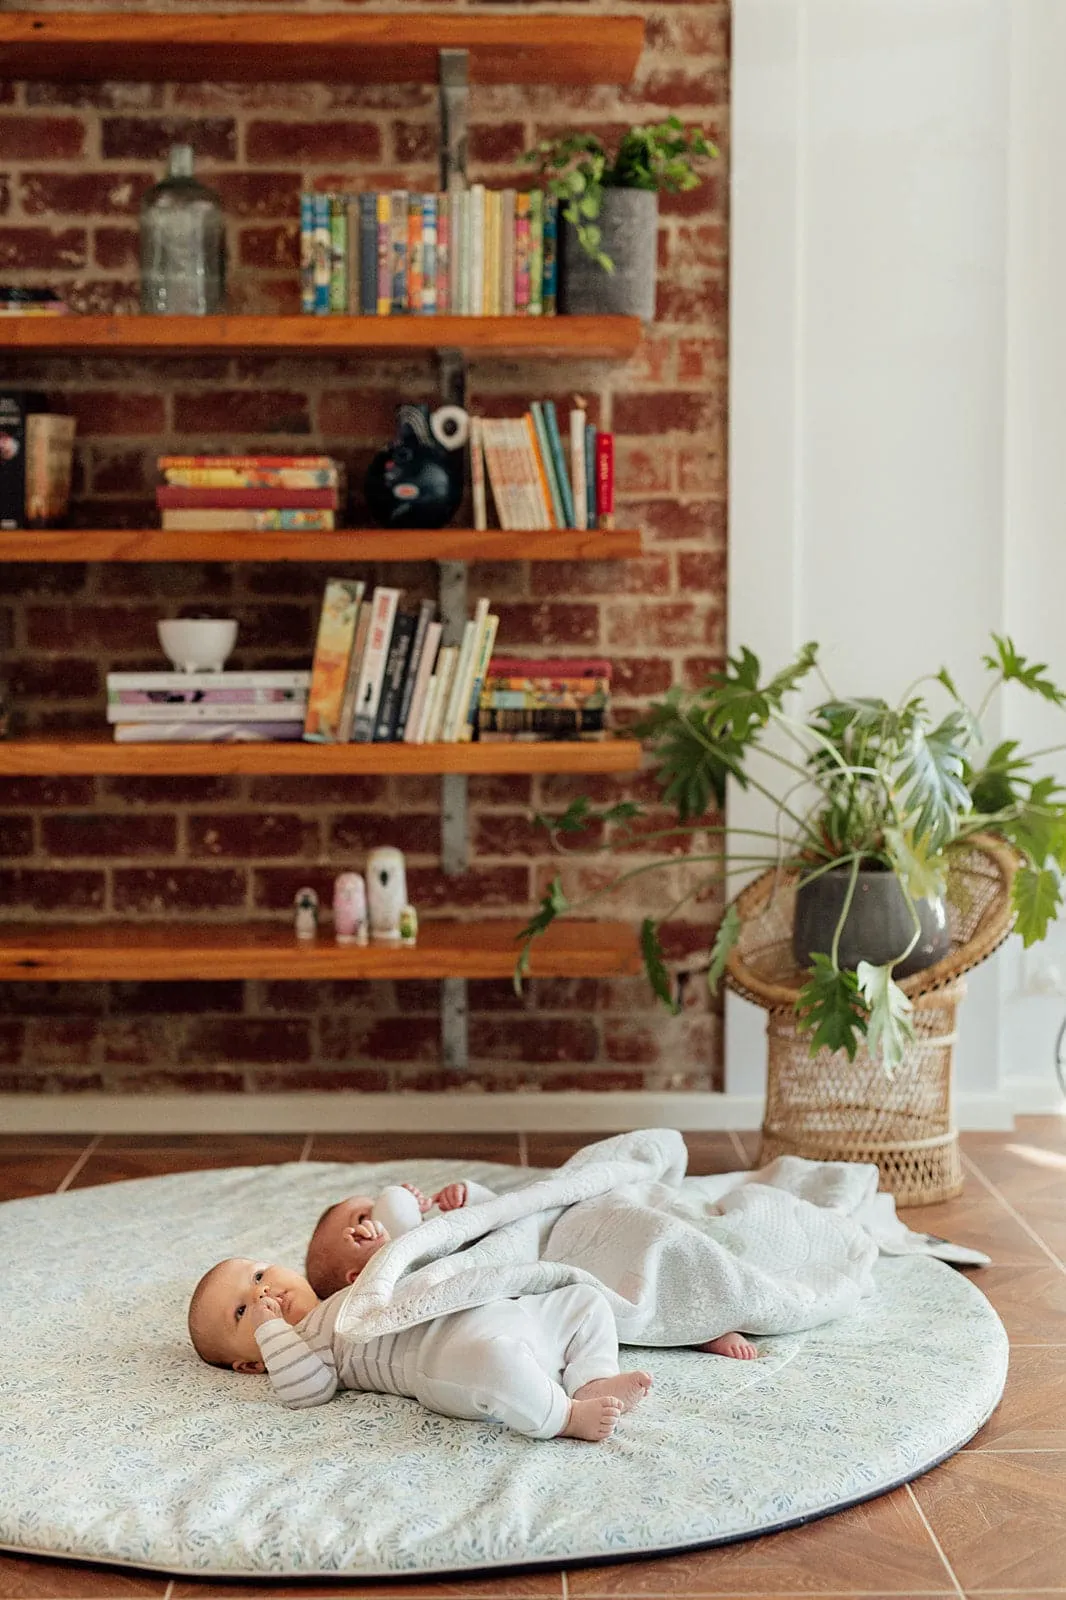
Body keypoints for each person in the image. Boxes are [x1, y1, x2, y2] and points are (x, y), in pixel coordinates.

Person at [187, 1256, 652, 1443]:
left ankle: (591, 1378)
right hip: (445, 1353)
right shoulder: (305, 1344)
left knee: (584, 1300)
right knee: (495, 1365)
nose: (264, 1296)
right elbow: (307, 1391)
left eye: (259, 1276)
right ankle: (565, 1416)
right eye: (243, 1312)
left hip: (489, 1310)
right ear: (250, 1364)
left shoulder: (341, 1294)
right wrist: (274, 1333)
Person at [306, 1179, 759, 1362]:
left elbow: (499, 1219)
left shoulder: (431, 1230)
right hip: (533, 1272)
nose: (369, 1221)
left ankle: (703, 1298)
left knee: (632, 1227)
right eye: (355, 1228)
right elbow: (446, 1287)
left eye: (368, 1208)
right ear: (355, 1279)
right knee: (593, 1293)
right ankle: (694, 1321)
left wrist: (467, 1201)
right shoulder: (397, 1282)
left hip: (540, 1235)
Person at [304, 1178, 495, 1299]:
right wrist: (385, 1257)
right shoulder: (398, 1293)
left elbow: (503, 1216)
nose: (380, 1211)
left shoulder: (443, 1230)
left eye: (376, 1204)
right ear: (359, 1278)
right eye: (363, 1218)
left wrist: (467, 1199)